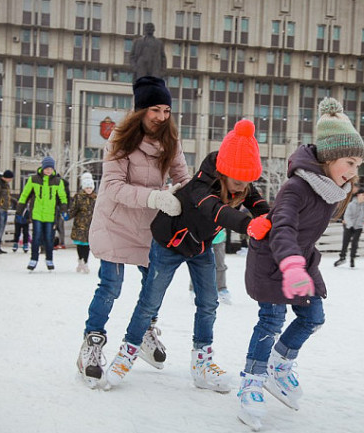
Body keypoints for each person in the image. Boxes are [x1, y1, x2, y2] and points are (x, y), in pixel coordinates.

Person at [104, 119, 270, 392]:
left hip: (200, 247)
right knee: (150, 302)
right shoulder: (200, 187)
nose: (242, 187)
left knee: (208, 303)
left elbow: (257, 202)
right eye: (238, 181)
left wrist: (271, 219)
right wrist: (247, 225)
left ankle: (202, 363)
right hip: (168, 244)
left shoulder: (241, 182)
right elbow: (215, 210)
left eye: (247, 181)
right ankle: (127, 354)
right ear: (224, 173)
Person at [236, 98, 363, 431]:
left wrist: (299, 265)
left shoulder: (330, 189)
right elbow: (283, 229)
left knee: (314, 317)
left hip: (300, 261)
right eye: (349, 162)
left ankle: (279, 365)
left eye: (357, 165)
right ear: (330, 156)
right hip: (273, 260)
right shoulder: (297, 187)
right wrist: (291, 266)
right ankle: (252, 380)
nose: (353, 172)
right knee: (271, 320)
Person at [76, 76, 190, 388]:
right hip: (115, 223)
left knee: (152, 287)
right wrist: (154, 196)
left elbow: (184, 177)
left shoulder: (171, 142)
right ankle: (93, 342)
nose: (162, 117)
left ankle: (143, 333)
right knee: (111, 285)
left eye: (166, 110)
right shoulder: (119, 141)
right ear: (140, 110)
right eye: (155, 109)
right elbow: (112, 187)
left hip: (150, 226)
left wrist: (186, 194)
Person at [15, 156, 68, 271]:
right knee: (36, 237)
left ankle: (49, 259)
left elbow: (63, 197)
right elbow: (25, 195)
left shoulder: (58, 181)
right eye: (47, 168)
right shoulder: (33, 179)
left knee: (49, 238)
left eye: (51, 169)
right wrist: (19, 211)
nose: (49, 171)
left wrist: (64, 210)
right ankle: (33, 259)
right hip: (37, 214)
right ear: (43, 168)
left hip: (50, 214)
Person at [334, 188, 364, 268]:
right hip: (348, 226)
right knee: (345, 242)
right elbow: (347, 216)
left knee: (355, 243)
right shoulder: (351, 204)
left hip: (358, 227)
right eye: (363, 195)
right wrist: (350, 226)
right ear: (358, 195)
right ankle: (342, 257)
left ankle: (352, 259)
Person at [68, 172, 97, 274]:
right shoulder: (79, 197)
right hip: (80, 225)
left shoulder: (95, 198)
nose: (89, 189)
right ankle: (80, 260)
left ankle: (85, 262)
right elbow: (74, 209)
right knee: (80, 245)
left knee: (87, 245)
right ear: (84, 188)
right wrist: (67, 216)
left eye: (90, 187)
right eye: (87, 187)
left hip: (90, 226)